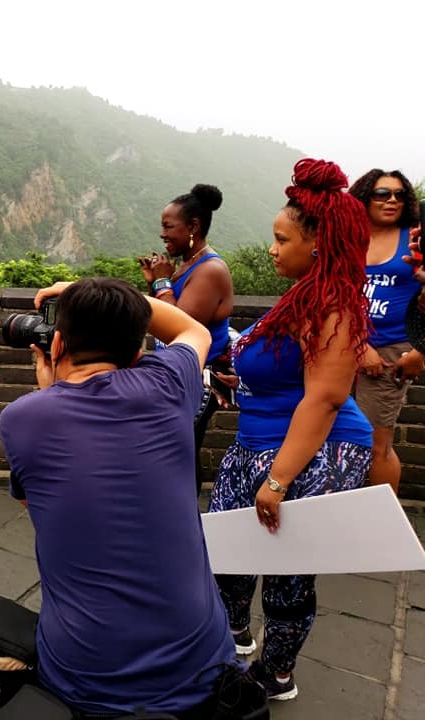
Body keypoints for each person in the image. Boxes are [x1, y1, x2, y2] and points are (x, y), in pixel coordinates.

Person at [0, 277, 245, 718]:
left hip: (87, 678)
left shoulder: (22, 419)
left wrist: (47, 391)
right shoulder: (168, 386)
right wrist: (102, 295)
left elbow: (41, 507)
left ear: (55, 346)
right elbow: (195, 332)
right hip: (204, 666)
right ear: (136, 355)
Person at [210, 158, 373, 702]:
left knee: (286, 571)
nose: (273, 248)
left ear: (319, 245)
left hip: (307, 453)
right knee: (224, 552)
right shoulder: (302, 295)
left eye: (281, 239)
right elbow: (283, 371)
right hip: (256, 442)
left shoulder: (336, 305)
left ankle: (276, 672)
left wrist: (278, 481)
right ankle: (231, 640)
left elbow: (326, 397)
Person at [138, 184, 234, 494]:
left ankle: (182, 521)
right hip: (177, 376)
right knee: (173, 455)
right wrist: (157, 282)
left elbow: (181, 326)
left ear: (193, 226)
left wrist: (164, 281)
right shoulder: (189, 264)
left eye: (168, 226)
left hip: (196, 383)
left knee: (178, 456)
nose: (162, 234)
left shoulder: (210, 270)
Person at [348, 169, 424, 493]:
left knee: (376, 441)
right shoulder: (349, 237)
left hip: (392, 349)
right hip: (345, 344)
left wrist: (420, 351)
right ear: (364, 198)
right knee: (338, 435)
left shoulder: (416, 237)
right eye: (382, 193)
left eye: (399, 194)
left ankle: (381, 525)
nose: (392, 200)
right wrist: (359, 345)